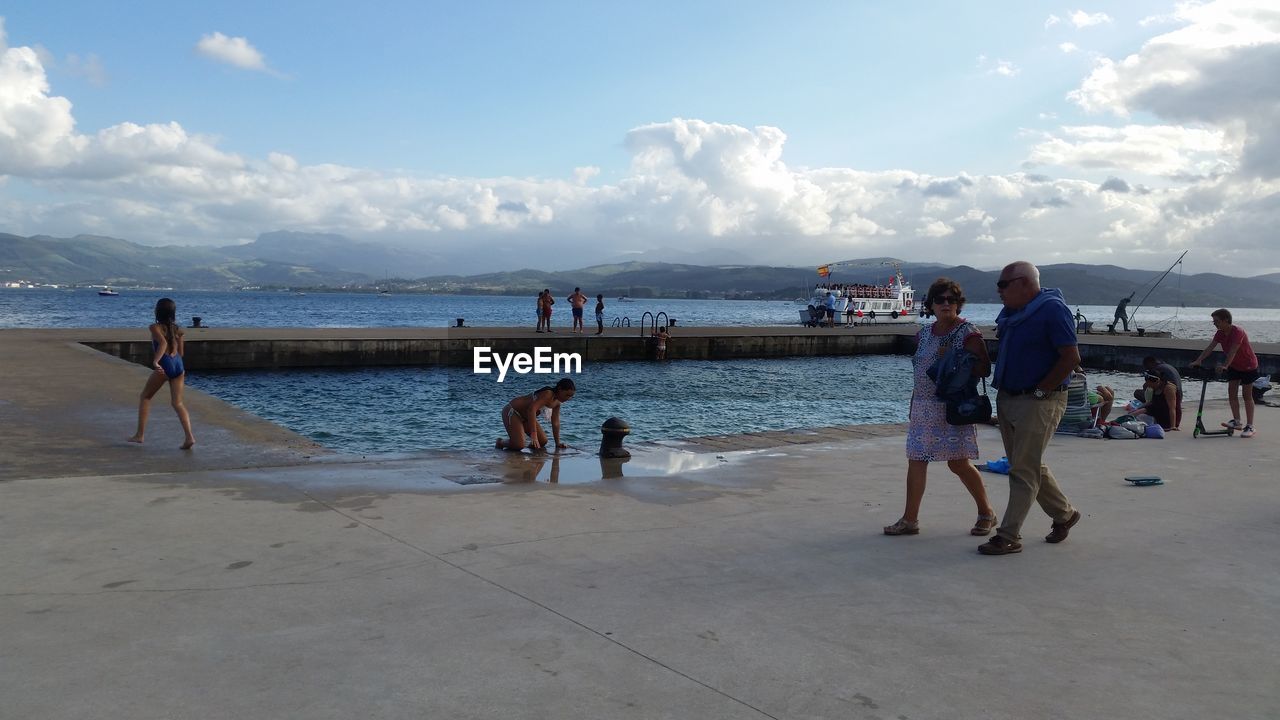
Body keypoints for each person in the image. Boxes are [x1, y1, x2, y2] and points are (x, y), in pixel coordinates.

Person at [980, 261, 1081, 556]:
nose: (998, 291)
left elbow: (1070, 356)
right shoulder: (1014, 312)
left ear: (1024, 283)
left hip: (1038, 401)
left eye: (1003, 285)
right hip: (1010, 397)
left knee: (1023, 469)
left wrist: (1041, 390)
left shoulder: (1051, 309)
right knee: (1027, 464)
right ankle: (1065, 514)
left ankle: (1008, 535)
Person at [884, 278, 997, 537]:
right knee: (916, 459)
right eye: (940, 299)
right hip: (923, 406)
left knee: (958, 463)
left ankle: (986, 512)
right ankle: (909, 519)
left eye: (951, 300)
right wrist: (913, 404)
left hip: (951, 405)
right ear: (931, 305)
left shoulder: (967, 332)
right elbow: (920, 371)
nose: (946, 304)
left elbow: (984, 369)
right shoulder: (923, 334)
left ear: (959, 304)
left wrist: (954, 358)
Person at [127, 298, 196, 449]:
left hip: (164, 366)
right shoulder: (178, 330)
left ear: (157, 312)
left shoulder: (154, 327)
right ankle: (189, 437)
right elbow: (181, 353)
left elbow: (163, 343)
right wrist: (175, 348)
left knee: (145, 397)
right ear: (173, 313)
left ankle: (140, 435)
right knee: (178, 403)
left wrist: (156, 362)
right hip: (179, 366)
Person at [1190, 308, 1259, 438]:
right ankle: (1237, 421)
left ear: (1225, 320)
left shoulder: (1238, 332)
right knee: (1231, 394)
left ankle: (1250, 426)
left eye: (1216, 321)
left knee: (1246, 396)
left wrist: (1225, 365)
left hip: (1248, 365)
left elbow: (1233, 350)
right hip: (1234, 366)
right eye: (1213, 321)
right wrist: (1198, 360)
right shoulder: (1220, 333)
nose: (1214, 323)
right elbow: (1210, 347)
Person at [495, 378, 576, 452]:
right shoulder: (548, 393)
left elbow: (555, 423)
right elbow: (531, 410)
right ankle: (500, 442)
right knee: (519, 445)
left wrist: (557, 443)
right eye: (567, 395)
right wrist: (534, 435)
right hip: (513, 412)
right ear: (560, 389)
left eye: (571, 396)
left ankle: (525, 452)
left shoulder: (557, 402)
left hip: (526, 418)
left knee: (542, 441)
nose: (568, 398)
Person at [1134, 356, 1182, 430]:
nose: (1148, 387)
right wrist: (1137, 410)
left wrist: (1173, 426)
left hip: (1166, 418)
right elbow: (1150, 403)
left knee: (1139, 417)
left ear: (1157, 381)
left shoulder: (1168, 388)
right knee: (1135, 414)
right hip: (1160, 409)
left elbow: (1172, 408)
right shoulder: (1156, 383)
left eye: (1150, 385)